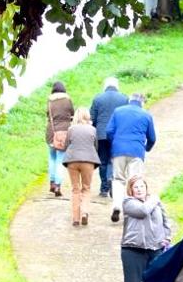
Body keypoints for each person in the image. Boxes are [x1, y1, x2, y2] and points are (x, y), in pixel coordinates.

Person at [120, 175, 170, 282]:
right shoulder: (128, 202)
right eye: (136, 187)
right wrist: (154, 199)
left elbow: (166, 220)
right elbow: (142, 211)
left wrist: (166, 237)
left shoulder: (155, 203)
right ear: (131, 190)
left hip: (155, 250)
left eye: (142, 186)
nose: (139, 189)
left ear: (146, 188)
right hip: (133, 250)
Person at [106, 93, 156, 223]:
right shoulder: (146, 115)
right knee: (134, 181)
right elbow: (152, 138)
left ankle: (117, 205)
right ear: (142, 102)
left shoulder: (118, 111)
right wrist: (146, 148)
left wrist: (115, 142)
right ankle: (133, 212)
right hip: (136, 151)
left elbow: (109, 131)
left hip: (118, 151)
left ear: (129, 100)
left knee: (118, 179)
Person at [90, 77, 127, 198]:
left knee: (102, 161)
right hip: (116, 135)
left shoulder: (97, 98)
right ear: (117, 86)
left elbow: (93, 118)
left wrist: (96, 130)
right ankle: (111, 178)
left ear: (105, 86)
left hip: (101, 135)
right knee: (113, 160)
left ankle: (104, 188)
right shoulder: (124, 98)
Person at [63, 109, 100, 227]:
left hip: (72, 160)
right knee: (86, 188)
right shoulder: (93, 130)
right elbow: (96, 146)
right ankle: (84, 212)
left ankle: (75, 218)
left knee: (75, 189)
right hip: (88, 160)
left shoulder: (71, 129)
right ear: (87, 116)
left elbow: (66, 145)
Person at [45, 81, 74, 197]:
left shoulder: (49, 101)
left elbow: (48, 115)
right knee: (60, 159)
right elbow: (72, 113)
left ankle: (51, 182)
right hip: (64, 132)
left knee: (51, 158)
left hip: (51, 132)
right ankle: (58, 185)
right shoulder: (68, 100)